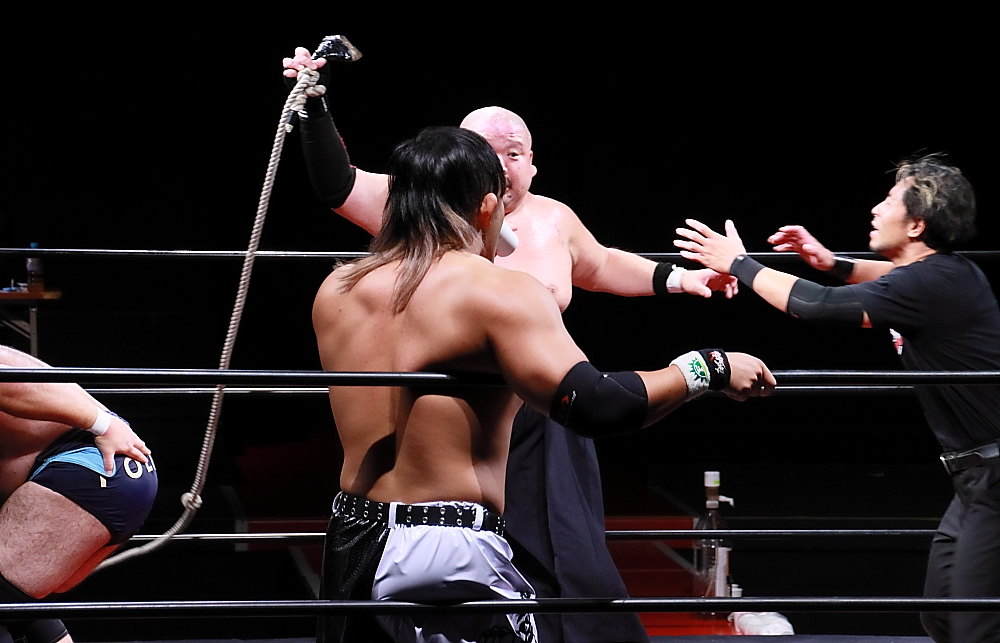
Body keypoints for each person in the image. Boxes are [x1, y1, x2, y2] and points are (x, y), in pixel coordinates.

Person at [283, 47, 736, 643]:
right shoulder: (501, 290)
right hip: (453, 531)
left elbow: (600, 264)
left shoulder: (337, 287)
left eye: (513, 152)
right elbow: (599, 404)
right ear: (486, 204)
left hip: (355, 528)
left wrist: (677, 278)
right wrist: (709, 367)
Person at [673, 155, 1000, 643]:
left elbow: (816, 305)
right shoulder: (943, 274)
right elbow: (884, 279)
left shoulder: (933, 282)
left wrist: (739, 264)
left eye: (889, 201)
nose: (875, 209)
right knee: (942, 617)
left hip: (993, 476)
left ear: (916, 225)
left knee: (975, 626)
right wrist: (831, 264)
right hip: (974, 478)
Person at [0, 345, 156, 643]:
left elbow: (10, 383)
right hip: (111, 474)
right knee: (17, 596)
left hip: (91, 466)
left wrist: (103, 424)